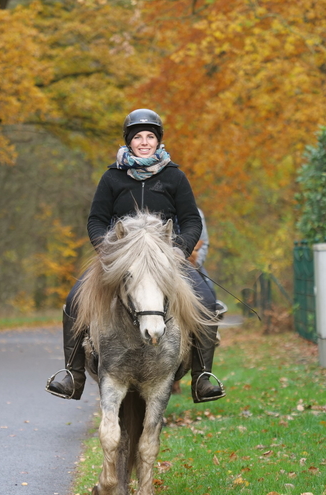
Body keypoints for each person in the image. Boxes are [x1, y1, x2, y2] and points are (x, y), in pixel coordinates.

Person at [45, 109, 225, 403]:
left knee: (206, 299)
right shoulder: (112, 177)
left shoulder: (175, 177)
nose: (144, 142)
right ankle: (73, 374)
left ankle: (202, 377)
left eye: (150, 137)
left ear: (158, 141)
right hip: (122, 259)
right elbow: (96, 220)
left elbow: (192, 219)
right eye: (138, 137)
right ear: (129, 142)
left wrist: (179, 250)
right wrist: (107, 250)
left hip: (164, 259)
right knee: (74, 299)